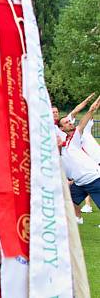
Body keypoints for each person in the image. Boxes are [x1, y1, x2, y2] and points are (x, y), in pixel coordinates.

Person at [59, 94, 100, 224]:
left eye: (69, 121)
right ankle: (77, 219)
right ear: (61, 129)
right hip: (79, 183)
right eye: (66, 122)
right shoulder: (60, 148)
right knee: (69, 201)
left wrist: (92, 109)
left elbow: (82, 122)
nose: (70, 122)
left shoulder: (73, 140)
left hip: (93, 179)